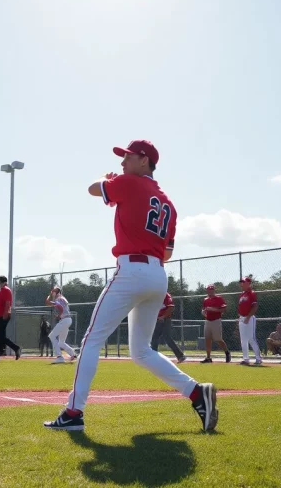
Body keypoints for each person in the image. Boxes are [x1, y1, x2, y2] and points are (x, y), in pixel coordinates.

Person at [44, 140, 217, 432]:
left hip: (131, 270)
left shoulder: (130, 183)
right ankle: (197, 393)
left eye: (128, 157)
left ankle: (74, 413)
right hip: (158, 275)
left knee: (91, 340)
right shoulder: (169, 204)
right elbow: (167, 253)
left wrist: (108, 181)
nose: (123, 162)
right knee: (141, 351)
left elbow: (92, 189)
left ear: (144, 160)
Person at [0, 276, 21, 361]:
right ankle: (16, 348)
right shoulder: (1, 290)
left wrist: (5, 314)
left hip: (2, 316)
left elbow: (7, 303)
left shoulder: (6, 290)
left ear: (2, 281)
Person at [150, 293, 186, 363]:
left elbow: (171, 307)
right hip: (158, 319)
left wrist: (163, 317)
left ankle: (180, 356)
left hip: (165, 320)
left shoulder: (166, 295)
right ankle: (154, 357)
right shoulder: (155, 295)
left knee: (165, 337)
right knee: (155, 337)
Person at [46, 286, 78, 363]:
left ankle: (60, 357)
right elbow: (51, 304)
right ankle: (72, 354)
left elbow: (59, 307)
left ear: (56, 292)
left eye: (53, 291)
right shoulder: (62, 298)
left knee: (52, 336)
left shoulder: (58, 299)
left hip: (64, 320)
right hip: (68, 320)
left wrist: (59, 315)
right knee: (61, 342)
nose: (52, 293)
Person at [201, 284, 231, 363]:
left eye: (211, 290)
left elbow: (224, 309)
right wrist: (203, 312)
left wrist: (213, 309)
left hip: (216, 320)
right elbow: (203, 309)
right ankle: (208, 357)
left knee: (218, 339)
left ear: (214, 290)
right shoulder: (205, 299)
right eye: (208, 290)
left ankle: (227, 352)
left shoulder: (219, 299)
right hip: (207, 321)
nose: (210, 291)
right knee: (207, 339)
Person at [237, 277, 262, 365]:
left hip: (250, 318)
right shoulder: (242, 295)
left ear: (248, 283)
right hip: (242, 318)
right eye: (241, 282)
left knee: (251, 338)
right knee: (243, 340)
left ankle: (258, 358)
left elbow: (255, 307)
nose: (241, 284)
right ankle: (246, 359)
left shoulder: (252, 293)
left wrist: (248, 317)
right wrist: (240, 316)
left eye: (243, 282)